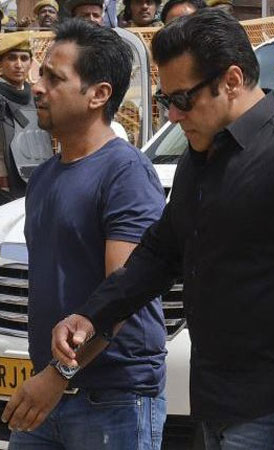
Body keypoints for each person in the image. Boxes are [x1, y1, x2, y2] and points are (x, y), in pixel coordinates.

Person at [50, 9, 274, 450]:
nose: (173, 115)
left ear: (231, 80)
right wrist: (92, 315)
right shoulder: (199, 159)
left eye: (182, 99)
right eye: (164, 100)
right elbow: (159, 254)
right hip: (213, 404)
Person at [1, 19, 168, 450]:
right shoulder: (44, 177)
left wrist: (58, 375)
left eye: (54, 78)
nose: (38, 87)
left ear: (99, 94)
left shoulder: (126, 173)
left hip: (112, 400)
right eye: (40, 75)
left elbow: (124, 292)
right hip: (48, 393)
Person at [0, 31, 52, 205]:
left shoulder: (37, 96)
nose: (18, 65)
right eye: (11, 58)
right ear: (1, 63)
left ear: (31, 63)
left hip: (37, 183)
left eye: (24, 58)